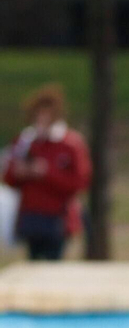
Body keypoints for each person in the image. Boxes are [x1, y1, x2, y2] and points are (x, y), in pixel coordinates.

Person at [3, 84, 91, 261]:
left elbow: (80, 182)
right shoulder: (26, 141)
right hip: (30, 216)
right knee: (33, 264)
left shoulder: (69, 143)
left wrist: (46, 172)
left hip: (57, 218)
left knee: (53, 265)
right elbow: (8, 177)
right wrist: (21, 172)